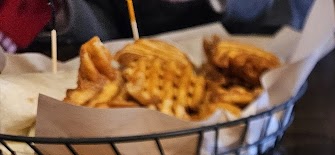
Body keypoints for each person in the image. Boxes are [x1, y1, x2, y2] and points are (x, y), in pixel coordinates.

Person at [0, 0, 314, 54]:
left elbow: (286, 10)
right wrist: (60, 10)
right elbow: (111, 25)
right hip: (133, 124)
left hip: (282, 99)